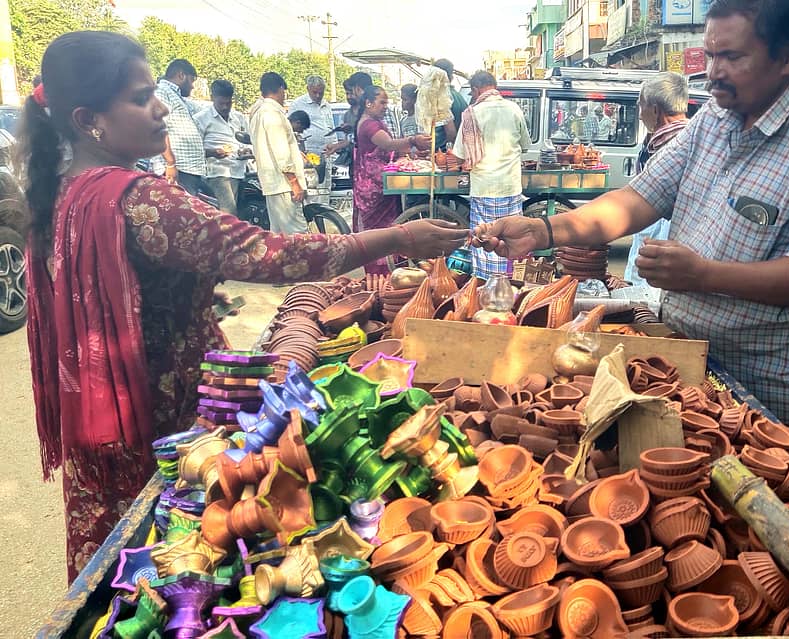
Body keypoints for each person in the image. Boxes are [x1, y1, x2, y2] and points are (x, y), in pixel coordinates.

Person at [18, 30, 467, 581]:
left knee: (111, 569)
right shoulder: (141, 199)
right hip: (163, 417)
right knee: (177, 556)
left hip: (98, 423)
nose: (160, 110)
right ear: (90, 120)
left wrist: (192, 293)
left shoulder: (61, 190)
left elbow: (103, 289)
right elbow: (272, 254)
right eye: (140, 99)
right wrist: (395, 240)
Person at [473, 0, 789, 471]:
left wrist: (703, 275)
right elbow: (635, 200)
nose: (713, 72)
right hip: (707, 364)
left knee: (781, 504)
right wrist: (541, 229)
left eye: (731, 57)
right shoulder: (716, 118)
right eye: (710, 55)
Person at [451, 70, 530, 279]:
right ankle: (511, 285)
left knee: (484, 239)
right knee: (511, 238)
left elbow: (459, 156)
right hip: (510, 188)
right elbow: (525, 145)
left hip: (483, 188)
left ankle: (486, 285)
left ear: (476, 90)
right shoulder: (514, 109)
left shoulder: (471, 114)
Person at [354, 85, 430, 272]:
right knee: (379, 232)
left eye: (386, 103)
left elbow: (392, 149)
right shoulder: (368, 125)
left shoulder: (375, 122)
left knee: (388, 229)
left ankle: (391, 272)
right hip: (372, 187)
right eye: (382, 102)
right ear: (368, 103)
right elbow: (387, 144)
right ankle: (380, 276)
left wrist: (413, 154)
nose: (385, 106)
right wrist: (413, 141)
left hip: (384, 182)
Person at [624, 72, 690, 287]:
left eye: (641, 106)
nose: (640, 114)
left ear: (654, 110)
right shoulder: (662, 140)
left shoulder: (676, 146)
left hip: (663, 233)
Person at [248, 72, 308, 234]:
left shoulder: (259, 112)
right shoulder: (272, 114)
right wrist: (294, 183)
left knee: (279, 235)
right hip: (283, 184)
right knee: (299, 235)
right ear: (281, 89)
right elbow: (281, 153)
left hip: (273, 183)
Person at [194, 79, 250, 215]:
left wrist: (246, 151)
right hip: (217, 172)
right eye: (221, 103)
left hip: (239, 171)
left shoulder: (239, 117)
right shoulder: (201, 119)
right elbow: (194, 150)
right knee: (228, 213)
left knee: (240, 212)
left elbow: (248, 141)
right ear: (212, 98)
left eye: (228, 103)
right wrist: (213, 152)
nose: (225, 107)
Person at [155, 58, 205, 195]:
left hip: (187, 170)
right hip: (178, 170)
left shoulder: (178, 97)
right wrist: (170, 163)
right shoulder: (162, 91)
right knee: (179, 214)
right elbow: (159, 127)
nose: (193, 86)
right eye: (192, 80)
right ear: (181, 75)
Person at [287, 75, 335, 156]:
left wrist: (334, 145)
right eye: (315, 92)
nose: (318, 96)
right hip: (309, 153)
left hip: (328, 152)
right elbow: (291, 129)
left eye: (321, 93)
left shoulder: (326, 105)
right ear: (308, 89)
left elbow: (331, 127)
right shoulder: (297, 104)